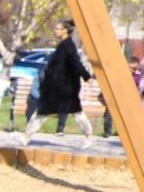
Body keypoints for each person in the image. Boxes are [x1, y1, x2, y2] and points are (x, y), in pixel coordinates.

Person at [18, 20, 92, 148]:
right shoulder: (63, 45)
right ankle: (26, 136)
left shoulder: (68, 45)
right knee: (42, 111)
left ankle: (88, 136)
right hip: (57, 87)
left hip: (66, 88)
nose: (56, 31)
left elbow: (76, 63)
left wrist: (87, 77)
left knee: (76, 113)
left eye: (58, 29)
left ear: (65, 30)